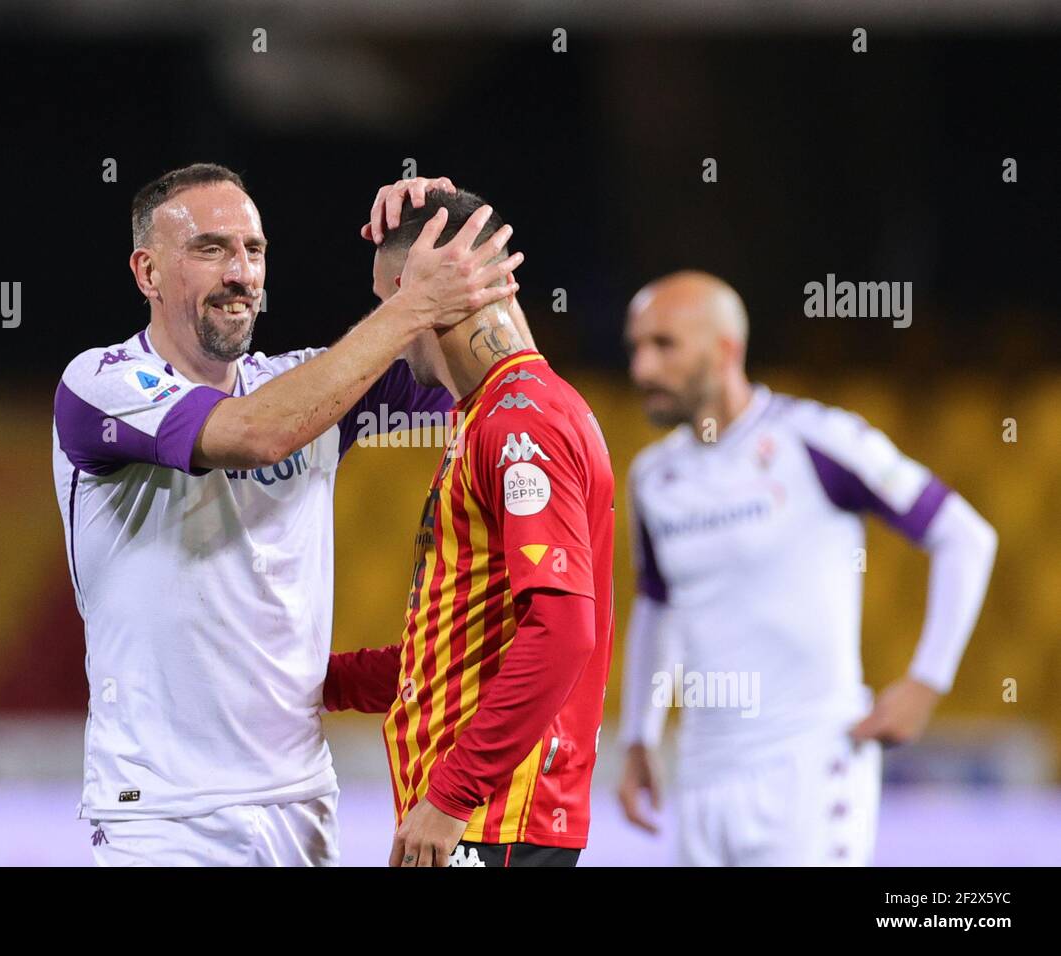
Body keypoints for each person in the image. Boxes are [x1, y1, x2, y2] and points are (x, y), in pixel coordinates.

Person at [51, 163, 522, 865]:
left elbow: (505, 369)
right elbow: (253, 435)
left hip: (301, 806)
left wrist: (447, 231)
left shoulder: (306, 385)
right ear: (147, 272)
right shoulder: (100, 385)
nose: (241, 271)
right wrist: (410, 305)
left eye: (254, 249)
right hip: (162, 819)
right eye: (210, 248)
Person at [615, 270, 998, 866]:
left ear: (725, 349)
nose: (642, 368)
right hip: (701, 770)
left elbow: (965, 536)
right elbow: (658, 607)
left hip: (810, 767)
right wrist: (638, 734)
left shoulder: (818, 441)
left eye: (664, 345)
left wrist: (927, 681)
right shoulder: (653, 478)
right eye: (636, 347)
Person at [324, 188, 617, 867]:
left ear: (422, 295)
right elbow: (463, 652)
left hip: (495, 822)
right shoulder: (497, 411)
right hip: (484, 818)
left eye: (387, 301)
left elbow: (562, 631)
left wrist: (453, 797)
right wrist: (316, 683)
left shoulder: (522, 423)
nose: (384, 327)